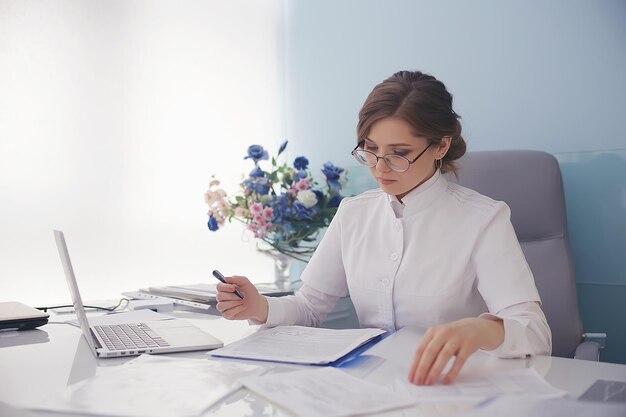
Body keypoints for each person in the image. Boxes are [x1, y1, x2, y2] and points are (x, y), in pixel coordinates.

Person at [215, 70, 552, 386]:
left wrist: (479, 329)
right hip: (369, 390)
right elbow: (309, 307)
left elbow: (535, 332)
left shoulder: (483, 219)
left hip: (454, 391)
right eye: (371, 150)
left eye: (399, 153)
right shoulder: (353, 214)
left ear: (441, 146)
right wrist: (259, 307)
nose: (379, 167)